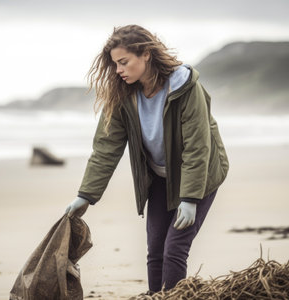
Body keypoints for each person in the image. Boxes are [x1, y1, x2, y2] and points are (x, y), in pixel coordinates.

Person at [65, 24, 229, 294]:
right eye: (115, 64)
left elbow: (198, 148)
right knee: (155, 251)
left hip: (199, 177)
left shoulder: (186, 88)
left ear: (146, 55)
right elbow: (106, 147)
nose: (118, 70)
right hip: (159, 179)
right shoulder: (123, 96)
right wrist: (86, 195)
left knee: (174, 248)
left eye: (123, 62)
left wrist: (189, 199)